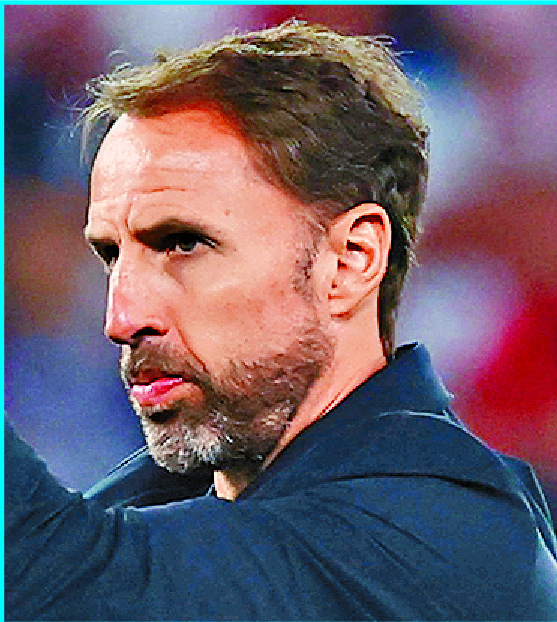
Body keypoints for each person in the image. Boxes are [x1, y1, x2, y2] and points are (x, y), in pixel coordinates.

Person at [5, 21, 557, 621]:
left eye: (184, 244)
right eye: (113, 255)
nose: (122, 318)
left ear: (350, 261)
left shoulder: (440, 537)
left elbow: (45, 578)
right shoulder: (179, 488)